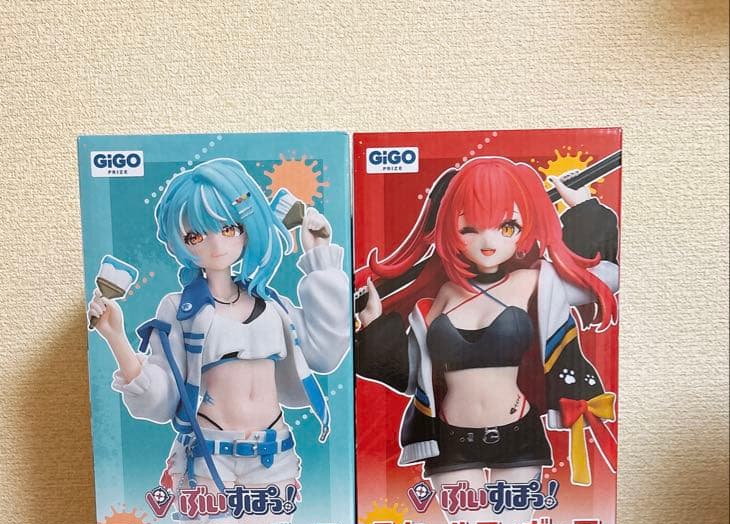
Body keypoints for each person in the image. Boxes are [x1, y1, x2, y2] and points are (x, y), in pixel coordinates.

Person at [87, 157, 350, 501]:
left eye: (228, 229)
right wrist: (115, 336)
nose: (216, 245)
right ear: (179, 242)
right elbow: (162, 395)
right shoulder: (180, 308)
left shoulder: (273, 305)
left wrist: (320, 257)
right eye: (195, 235)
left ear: (248, 226)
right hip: (207, 453)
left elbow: (326, 351)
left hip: (273, 452)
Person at [356, 156, 619, 492]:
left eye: (507, 228)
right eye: (469, 229)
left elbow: (604, 278)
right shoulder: (442, 295)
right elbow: (410, 375)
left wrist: (584, 209)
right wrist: (373, 326)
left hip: (518, 432)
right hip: (449, 439)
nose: (488, 242)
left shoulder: (535, 282)